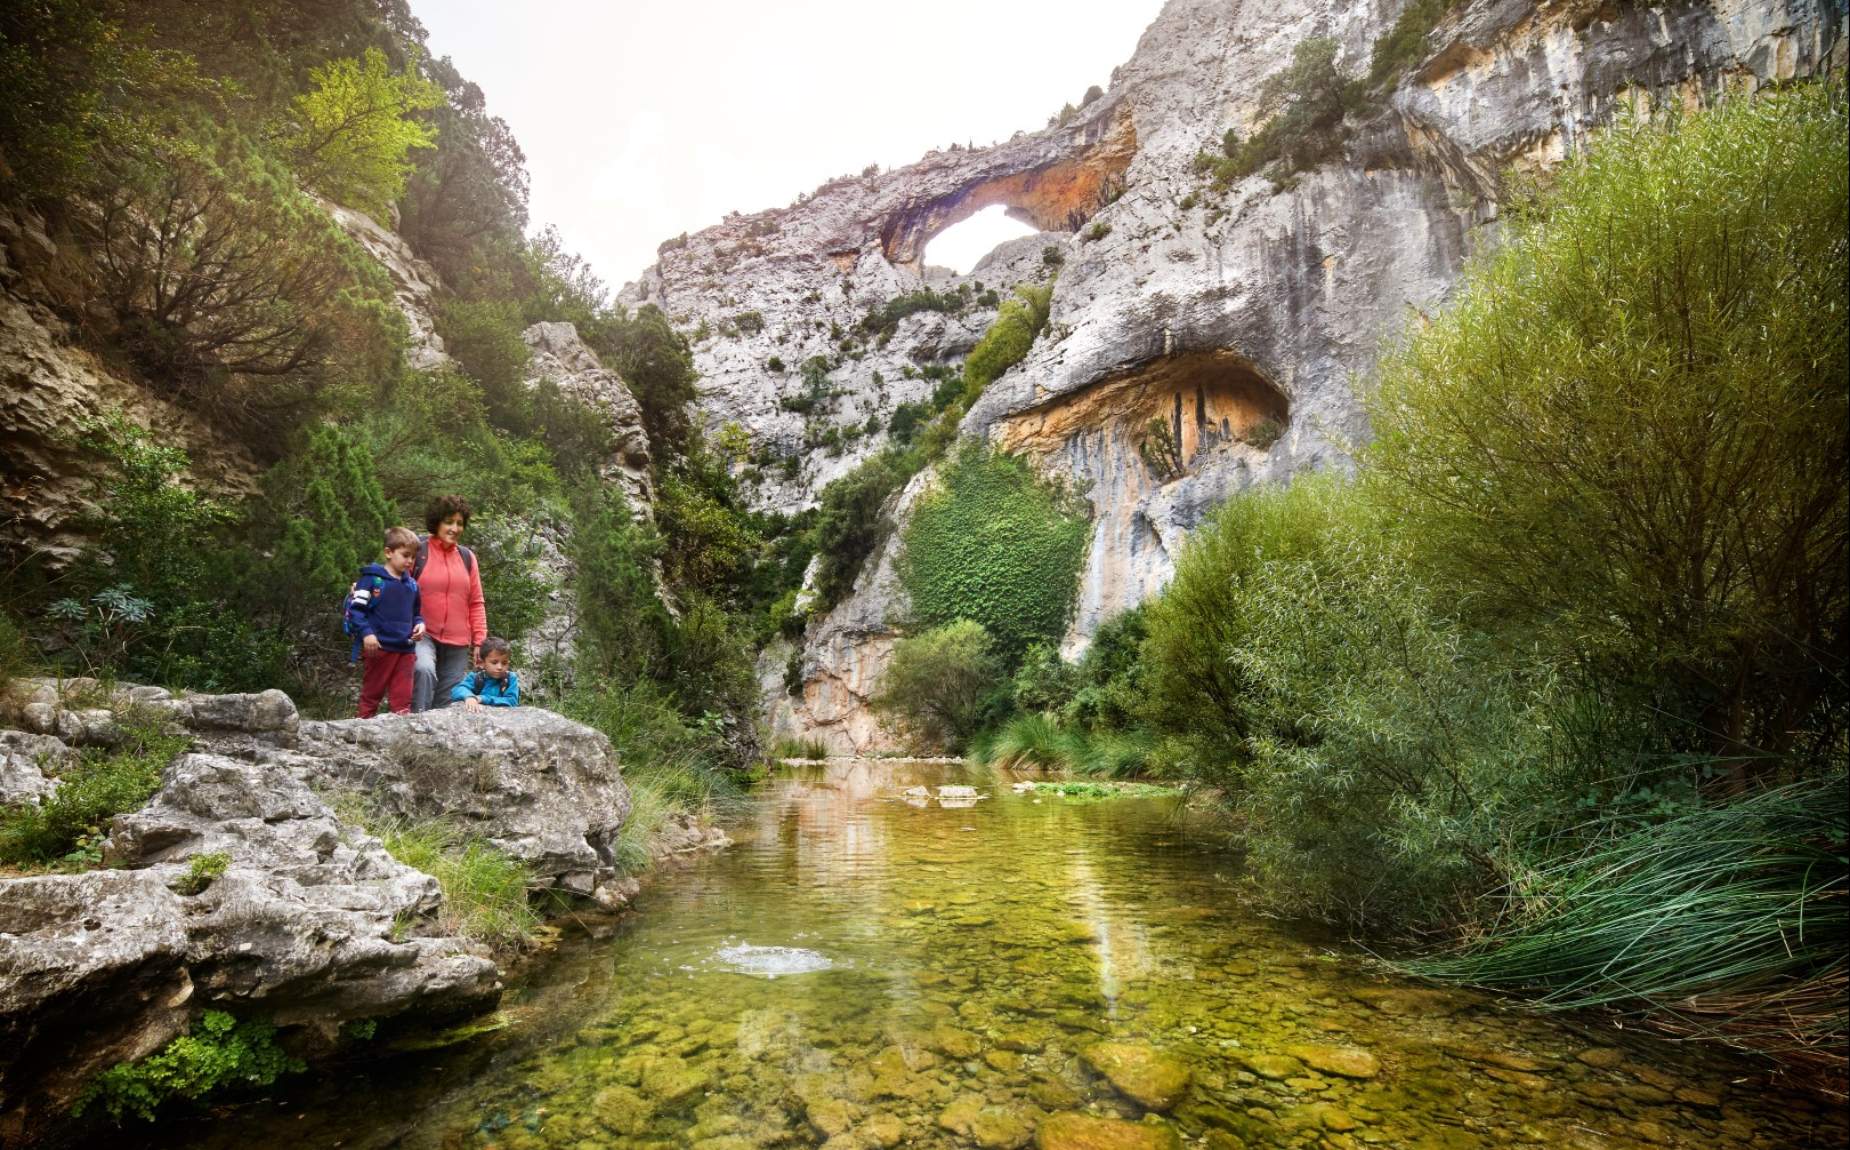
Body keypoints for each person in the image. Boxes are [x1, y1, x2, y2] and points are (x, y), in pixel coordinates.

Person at [411, 494, 488, 712]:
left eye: (459, 523)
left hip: (458, 642)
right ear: (437, 522)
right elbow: (394, 581)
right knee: (423, 670)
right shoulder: (419, 551)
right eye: (449, 522)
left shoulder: (467, 557)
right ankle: (416, 729)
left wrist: (480, 642)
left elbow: (476, 602)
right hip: (422, 633)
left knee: (448, 702)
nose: (454, 528)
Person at [354, 527, 426, 718]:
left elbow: (416, 614)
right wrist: (366, 633)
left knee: (403, 702)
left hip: (406, 650)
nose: (410, 561)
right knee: (371, 695)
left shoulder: (412, 586)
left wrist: (420, 625)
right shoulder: (371, 580)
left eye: (413, 557)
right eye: (405, 555)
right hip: (378, 648)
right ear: (388, 552)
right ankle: (360, 735)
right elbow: (356, 610)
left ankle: (400, 739)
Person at [451, 636, 520, 709]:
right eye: (494, 662)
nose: (500, 667)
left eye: (504, 663)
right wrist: (469, 697)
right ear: (483, 663)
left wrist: (482, 698)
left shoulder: (510, 678)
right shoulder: (476, 677)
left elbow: (512, 701)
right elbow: (457, 690)